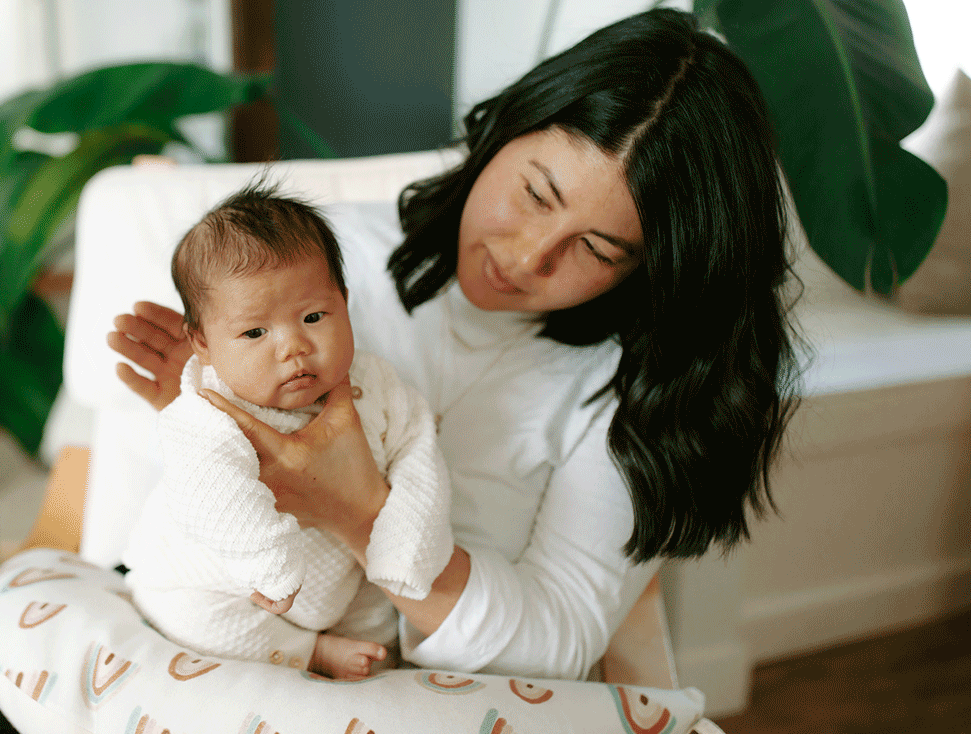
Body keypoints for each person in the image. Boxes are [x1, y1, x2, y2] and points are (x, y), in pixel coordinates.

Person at [109, 7, 798, 680]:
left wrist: (359, 512)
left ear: (652, 267)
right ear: (506, 131)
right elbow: (160, 531)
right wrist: (218, 414)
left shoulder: (638, 392)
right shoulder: (309, 269)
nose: (527, 258)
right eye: (535, 195)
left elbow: (556, 642)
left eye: (595, 247)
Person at [122, 183, 453, 679]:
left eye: (314, 317)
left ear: (344, 303)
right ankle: (307, 651)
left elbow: (418, 454)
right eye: (255, 332)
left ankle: (371, 652)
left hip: (342, 577)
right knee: (185, 612)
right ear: (203, 343)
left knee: (377, 610)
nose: (293, 346)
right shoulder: (205, 408)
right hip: (231, 585)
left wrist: (405, 548)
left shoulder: (377, 385)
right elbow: (210, 488)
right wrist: (267, 561)